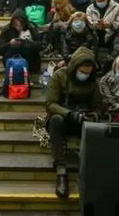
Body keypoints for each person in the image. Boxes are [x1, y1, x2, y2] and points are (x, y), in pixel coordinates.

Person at [45, 47, 105, 198]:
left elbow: (98, 106)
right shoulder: (60, 75)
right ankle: (61, 170)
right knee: (55, 121)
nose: (84, 75)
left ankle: (92, 172)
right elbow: (50, 104)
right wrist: (69, 114)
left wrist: (93, 115)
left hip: (84, 119)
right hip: (63, 117)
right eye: (82, 72)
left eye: (87, 73)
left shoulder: (92, 81)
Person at [0, 9, 43, 77]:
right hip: (13, 59)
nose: (18, 26)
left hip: (29, 58)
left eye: (21, 24)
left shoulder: (31, 28)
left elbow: (41, 45)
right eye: (16, 24)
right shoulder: (6, 30)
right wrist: (9, 44)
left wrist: (27, 42)